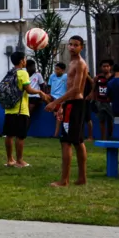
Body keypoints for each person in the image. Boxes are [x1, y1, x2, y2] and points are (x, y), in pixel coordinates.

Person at [46, 35, 89, 187]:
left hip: (75, 103)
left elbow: (76, 88)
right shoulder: (72, 62)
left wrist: (56, 102)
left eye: (75, 45)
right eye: (70, 44)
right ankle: (82, 178)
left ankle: (64, 180)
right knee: (77, 141)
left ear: (81, 47)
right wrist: (63, 105)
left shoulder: (80, 64)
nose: (72, 47)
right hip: (72, 103)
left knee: (66, 141)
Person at [2, 51, 51, 168]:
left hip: (9, 108)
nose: (25, 61)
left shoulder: (9, 72)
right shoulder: (23, 73)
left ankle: (10, 160)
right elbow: (28, 90)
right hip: (21, 109)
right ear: (21, 61)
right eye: (24, 59)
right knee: (20, 136)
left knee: (9, 135)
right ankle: (19, 160)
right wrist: (39, 91)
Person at [93, 59, 114, 142]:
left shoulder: (113, 77)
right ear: (101, 67)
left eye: (107, 66)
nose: (106, 68)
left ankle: (110, 137)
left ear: (110, 67)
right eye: (104, 66)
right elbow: (94, 89)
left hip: (109, 102)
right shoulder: (98, 77)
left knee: (110, 120)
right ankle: (103, 138)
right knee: (101, 120)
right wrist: (94, 100)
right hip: (100, 101)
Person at [49, 62, 68, 137]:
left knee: (59, 116)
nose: (56, 71)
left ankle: (56, 134)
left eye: (58, 69)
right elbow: (49, 87)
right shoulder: (52, 76)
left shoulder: (66, 77)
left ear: (63, 70)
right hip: (52, 98)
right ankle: (54, 109)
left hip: (62, 99)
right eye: (55, 69)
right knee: (43, 96)